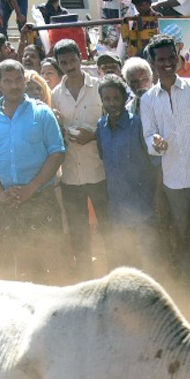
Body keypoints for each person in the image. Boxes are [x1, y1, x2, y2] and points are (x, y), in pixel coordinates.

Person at [0, 59, 66, 281]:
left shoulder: (42, 113)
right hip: (9, 202)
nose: (14, 85)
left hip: (41, 198)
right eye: (8, 81)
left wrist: (31, 188)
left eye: (18, 80)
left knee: (53, 261)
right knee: (22, 265)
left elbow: (57, 153)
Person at [140, 33, 190, 282]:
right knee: (183, 232)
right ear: (152, 63)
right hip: (172, 178)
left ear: (178, 58)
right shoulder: (148, 99)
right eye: (160, 60)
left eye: (170, 58)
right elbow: (149, 134)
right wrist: (156, 143)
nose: (166, 63)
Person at [51, 38, 106, 275]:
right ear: (58, 64)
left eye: (72, 60)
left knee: (107, 228)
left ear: (81, 57)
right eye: (63, 62)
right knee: (78, 232)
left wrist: (93, 136)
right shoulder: (55, 94)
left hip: (99, 172)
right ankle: (87, 276)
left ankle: (110, 272)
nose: (69, 66)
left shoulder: (100, 88)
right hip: (71, 176)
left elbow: (110, 124)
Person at [94, 74, 156, 270]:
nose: (111, 103)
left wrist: (157, 199)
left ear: (124, 99)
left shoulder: (136, 124)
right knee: (125, 260)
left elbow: (153, 164)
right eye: (107, 99)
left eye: (116, 98)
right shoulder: (101, 127)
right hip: (117, 209)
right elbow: (104, 157)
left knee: (148, 260)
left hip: (143, 207)